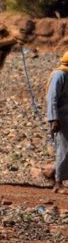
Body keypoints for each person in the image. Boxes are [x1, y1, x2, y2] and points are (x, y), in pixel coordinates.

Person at [47, 51, 68, 193]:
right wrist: (53, 118)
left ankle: (52, 173)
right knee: (64, 149)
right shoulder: (59, 75)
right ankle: (58, 182)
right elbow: (52, 98)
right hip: (61, 118)